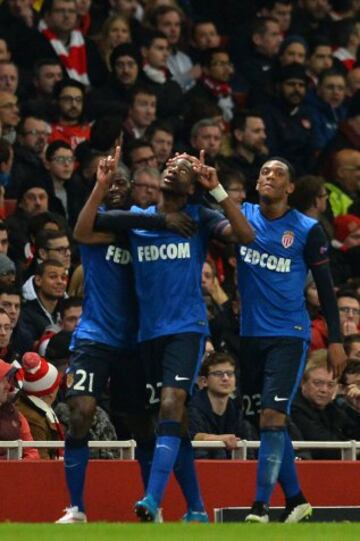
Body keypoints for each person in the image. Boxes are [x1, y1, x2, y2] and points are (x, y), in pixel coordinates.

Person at [96, 149, 254, 522]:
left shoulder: (200, 217)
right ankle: (197, 509)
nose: (172, 169)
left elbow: (245, 235)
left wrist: (216, 190)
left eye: (183, 167)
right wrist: (164, 222)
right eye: (170, 165)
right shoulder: (142, 219)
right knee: (171, 422)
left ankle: (152, 498)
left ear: (193, 181)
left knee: (171, 405)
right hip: (146, 335)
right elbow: (96, 221)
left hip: (186, 328)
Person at [56, 148, 196, 523]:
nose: (114, 188)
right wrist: (99, 187)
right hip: (95, 336)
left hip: (137, 342)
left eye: (120, 182)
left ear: (133, 188)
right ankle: (76, 507)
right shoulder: (99, 227)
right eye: (107, 182)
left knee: (141, 424)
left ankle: (154, 502)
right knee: (81, 411)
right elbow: (81, 230)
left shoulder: (142, 230)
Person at [234, 157, 347, 523]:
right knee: (267, 421)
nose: (269, 177)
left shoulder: (306, 229)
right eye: (264, 172)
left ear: (291, 188)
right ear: (257, 183)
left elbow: (327, 290)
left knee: (271, 416)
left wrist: (336, 338)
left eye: (279, 173)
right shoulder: (242, 215)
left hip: (289, 334)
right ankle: (296, 497)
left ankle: (260, 506)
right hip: (249, 336)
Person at [188, 351, 254, 459]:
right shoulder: (193, 408)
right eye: (218, 374)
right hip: (199, 468)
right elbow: (193, 437)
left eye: (230, 373)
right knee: (218, 452)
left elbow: (249, 454)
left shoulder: (237, 410)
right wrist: (221, 439)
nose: (225, 378)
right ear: (204, 381)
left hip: (231, 469)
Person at [16, 352, 63, 459]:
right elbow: (41, 464)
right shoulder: (34, 420)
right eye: (57, 385)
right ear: (51, 393)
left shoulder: (33, 408)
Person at [0, 358, 40, 460]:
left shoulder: (14, 413)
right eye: (2, 381)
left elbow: (31, 452)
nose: (8, 386)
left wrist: (18, 469)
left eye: (7, 380)